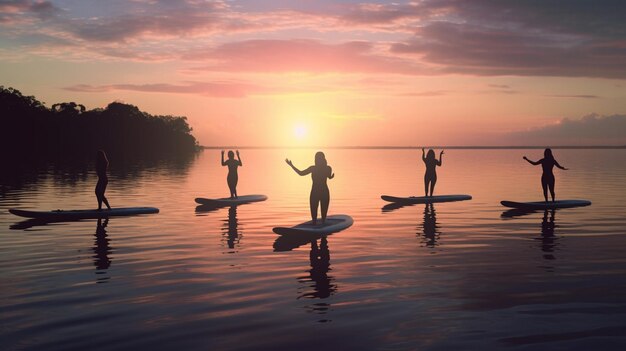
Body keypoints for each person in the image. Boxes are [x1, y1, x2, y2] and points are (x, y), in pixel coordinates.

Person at [285, 151, 334, 225]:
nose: (316, 160)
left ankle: (322, 229)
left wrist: (291, 165)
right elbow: (329, 177)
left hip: (320, 193)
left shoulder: (318, 168)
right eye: (316, 158)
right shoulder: (326, 168)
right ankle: (317, 227)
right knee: (315, 217)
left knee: (323, 217)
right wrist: (291, 165)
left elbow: (301, 173)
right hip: (318, 193)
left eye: (317, 158)